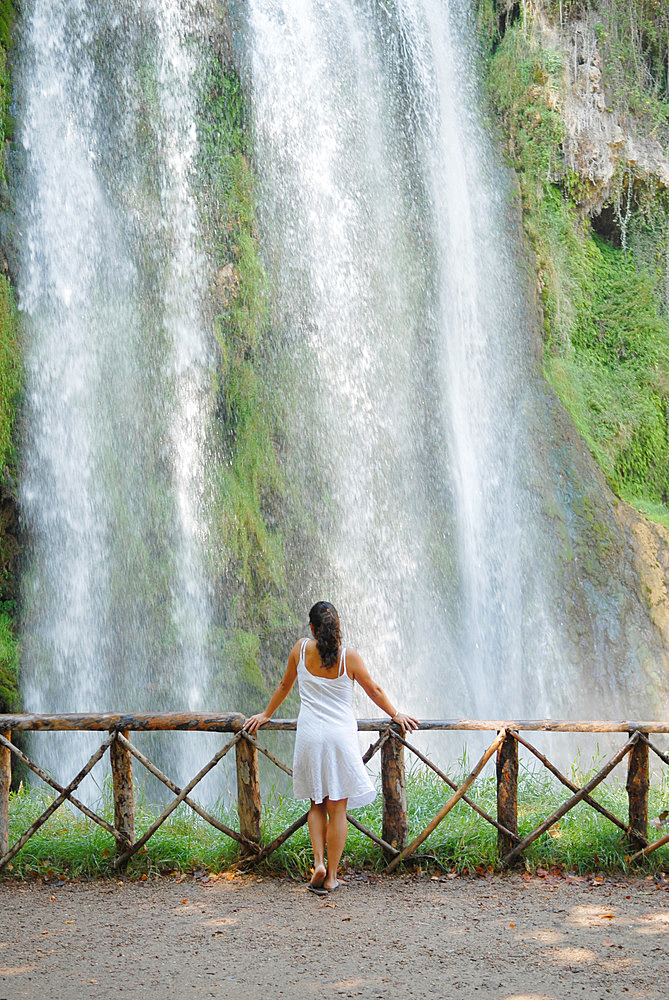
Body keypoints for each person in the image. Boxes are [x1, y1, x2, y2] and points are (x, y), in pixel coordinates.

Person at [243, 601, 419, 895]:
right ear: (337, 626)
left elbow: (284, 685)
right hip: (340, 736)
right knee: (338, 808)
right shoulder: (348, 657)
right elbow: (373, 689)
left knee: (317, 804)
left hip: (310, 734)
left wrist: (266, 715)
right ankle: (333, 876)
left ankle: (318, 863)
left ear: (311, 628)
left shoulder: (301, 649)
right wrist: (395, 713)